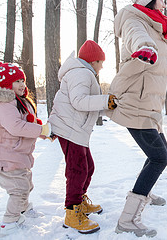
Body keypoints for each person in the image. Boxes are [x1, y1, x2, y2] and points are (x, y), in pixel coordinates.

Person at [107, 0, 167, 237]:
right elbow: (138, 39)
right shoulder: (133, 20)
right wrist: (144, 48)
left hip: (149, 104)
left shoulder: (155, 26)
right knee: (160, 157)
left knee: (160, 153)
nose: (164, 3)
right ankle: (127, 219)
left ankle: (145, 190)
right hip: (134, 103)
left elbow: (164, 50)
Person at [48, 40, 117, 234]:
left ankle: (80, 201)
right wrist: (105, 100)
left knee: (88, 167)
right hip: (69, 128)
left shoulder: (83, 73)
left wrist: (108, 106)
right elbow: (79, 102)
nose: (102, 66)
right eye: (101, 61)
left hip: (75, 128)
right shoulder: (81, 72)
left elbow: (87, 105)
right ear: (93, 60)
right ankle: (72, 213)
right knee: (77, 169)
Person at [0, 62, 51, 238]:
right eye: (17, 81)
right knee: (19, 189)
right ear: (6, 84)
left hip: (15, 153)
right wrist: (41, 130)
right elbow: (16, 127)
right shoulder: (3, 104)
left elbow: (27, 123)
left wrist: (43, 133)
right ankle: (9, 222)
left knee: (26, 184)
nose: (22, 84)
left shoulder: (17, 101)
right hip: (4, 155)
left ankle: (23, 209)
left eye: (23, 80)